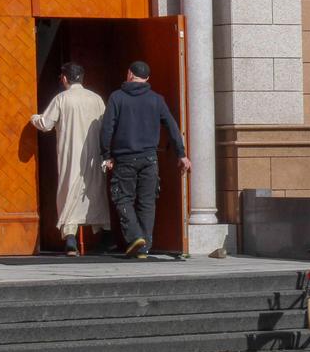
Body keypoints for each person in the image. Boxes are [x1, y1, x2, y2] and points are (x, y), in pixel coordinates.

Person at [100, 60, 191, 258]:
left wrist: (106, 155)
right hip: (150, 159)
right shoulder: (156, 100)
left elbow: (107, 128)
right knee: (147, 202)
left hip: (125, 158)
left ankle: (135, 237)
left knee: (122, 197)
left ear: (129, 74)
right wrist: (181, 154)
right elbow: (172, 127)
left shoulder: (117, 97)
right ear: (147, 78)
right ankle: (144, 247)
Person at [29, 62, 112, 257]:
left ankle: (71, 239)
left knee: (69, 192)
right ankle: (104, 236)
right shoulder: (96, 99)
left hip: (71, 155)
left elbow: (46, 124)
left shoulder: (62, 99)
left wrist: (33, 118)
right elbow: (105, 126)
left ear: (65, 78)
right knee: (95, 194)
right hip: (94, 155)